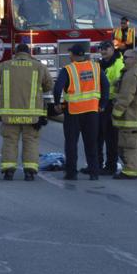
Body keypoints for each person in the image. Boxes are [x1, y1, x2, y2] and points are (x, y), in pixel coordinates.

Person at [0, 42, 53, 181]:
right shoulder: (39, 66)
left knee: (10, 141)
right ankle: (29, 171)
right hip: (32, 115)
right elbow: (48, 86)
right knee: (30, 141)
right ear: (29, 53)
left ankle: (9, 171)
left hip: (9, 114)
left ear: (15, 53)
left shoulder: (4, 66)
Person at [52, 42, 108, 180]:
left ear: (73, 55)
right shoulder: (95, 67)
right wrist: (103, 104)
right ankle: (94, 173)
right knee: (91, 143)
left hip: (73, 112)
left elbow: (57, 88)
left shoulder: (68, 70)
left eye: (70, 52)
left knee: (71, 143)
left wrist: (57, 103)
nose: (69, 54)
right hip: (92, 111)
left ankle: (71, 173)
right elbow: (106, 85)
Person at [112, 49, 137, 179]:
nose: (123, 60)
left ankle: (129, 171)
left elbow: (125, 97)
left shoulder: (131, 75)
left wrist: (116, 113)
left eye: (126, 57)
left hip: (131, 118)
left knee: (129, 146)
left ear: (135, 59)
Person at [96, 40, 124, 176]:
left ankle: (111, 166)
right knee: (99, 135)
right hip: (102, 103)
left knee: (111, 137)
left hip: (111, 103)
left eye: (106, 48)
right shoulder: (101, 64)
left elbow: (119, 84)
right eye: (101, 48)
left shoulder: (118, 64)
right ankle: (97, 164)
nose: (103, 51)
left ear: (113, 49)